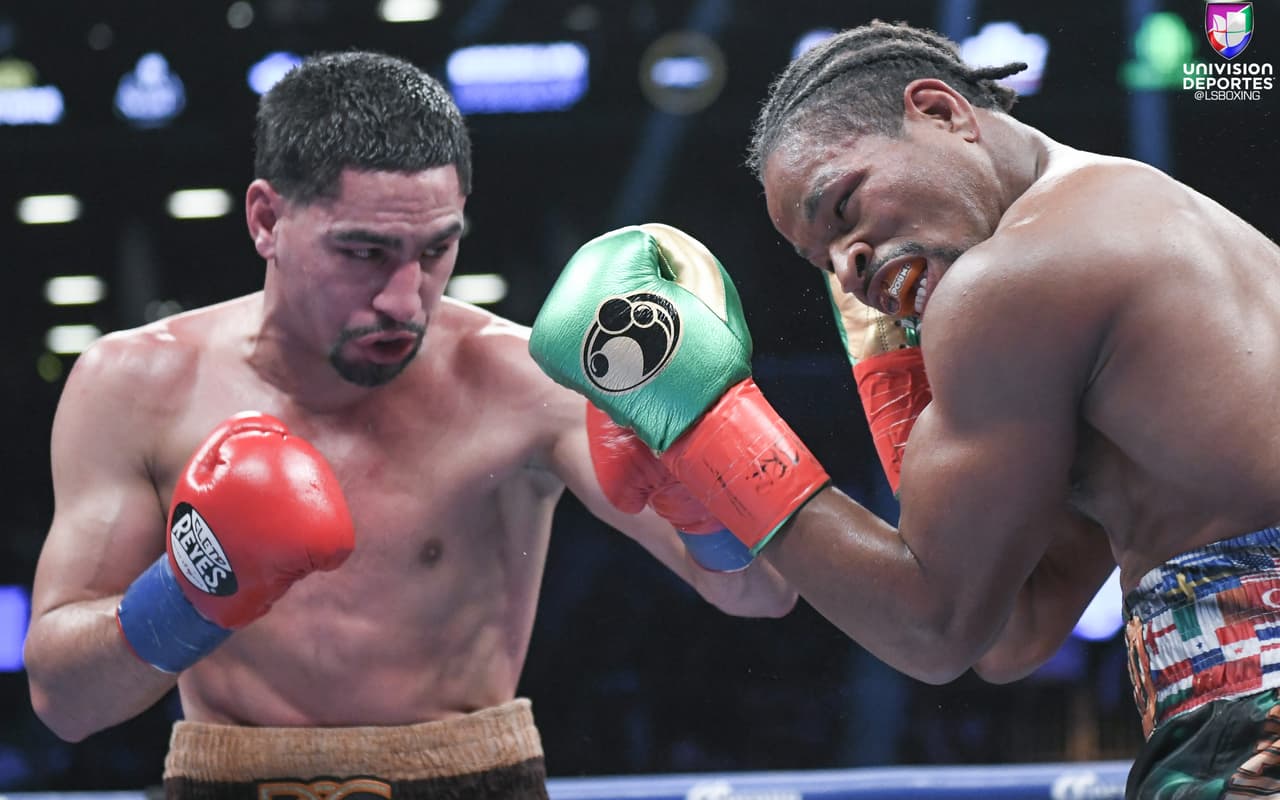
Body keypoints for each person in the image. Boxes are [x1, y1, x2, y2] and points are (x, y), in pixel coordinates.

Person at [525, 20, 1280, 800]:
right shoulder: (1139, 218)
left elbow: (933, 629)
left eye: (844, 205)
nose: (849, 268)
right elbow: (1010, 632)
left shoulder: (1018, 278)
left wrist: (705, 424)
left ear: (942, 112)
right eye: (824, 261)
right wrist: (902, 395)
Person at [22, 50, 797, 799]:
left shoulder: (525, 380)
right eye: (364, 251)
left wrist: (705, 465)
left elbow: (758, 593)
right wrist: (190, 593)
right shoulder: (138, 386)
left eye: (435, 250)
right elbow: (64, 701)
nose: (404, 299)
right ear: (266, 219)